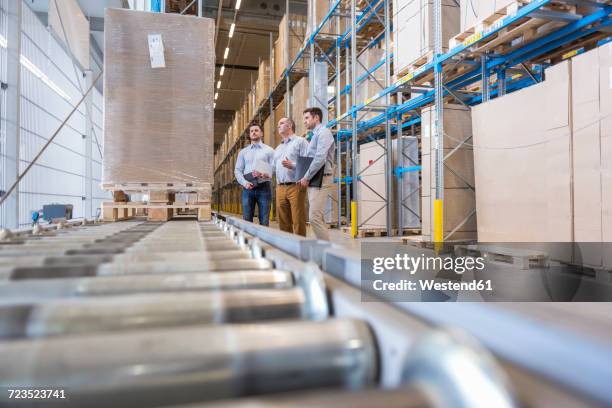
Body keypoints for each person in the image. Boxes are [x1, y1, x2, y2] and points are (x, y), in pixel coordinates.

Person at [262, 117, 309, 236]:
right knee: (283, 221)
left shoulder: (300, 142)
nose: (279, 126)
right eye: (278, 124)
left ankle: (300, 248)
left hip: (296, 186)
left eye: (281, 123)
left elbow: (308, 164)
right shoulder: (278, 148)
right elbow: (273, 168)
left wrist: (292, 165)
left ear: (290, 126)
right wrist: (264, 173)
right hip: (280, 188)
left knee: (298, 220)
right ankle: (288, 246)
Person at [299, 107, 336, 240]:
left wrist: (306, 176)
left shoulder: (323, 132)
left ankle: (327, 251)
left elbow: (320, 158)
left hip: (321, 179)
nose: (304, 122)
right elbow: (310, 159)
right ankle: (325, 248)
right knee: (318, 217)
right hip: (315, 179)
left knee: (314, 218)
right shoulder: (315, 135)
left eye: (307, 118)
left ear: (316, 118)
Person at [234, 123, 274, 226]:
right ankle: (248, 241)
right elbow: (237, 170)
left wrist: (266, 174)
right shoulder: (243, 152)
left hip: (264, 187)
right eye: (251, 131)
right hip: (248, 188)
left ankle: (263, 241)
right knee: (247, 220)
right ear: (249, 134)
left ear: (261, 133)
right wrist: (244, 183)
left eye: (256, 130)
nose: (253, 132)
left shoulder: (269, 150)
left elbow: (274, 168)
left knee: (264, 220)